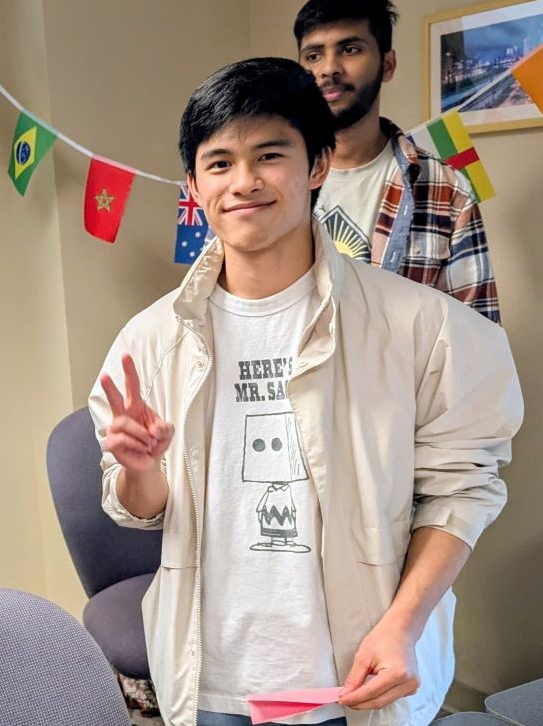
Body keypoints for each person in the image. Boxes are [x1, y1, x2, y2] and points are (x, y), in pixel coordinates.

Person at [90, 58, 521, 726]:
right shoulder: (151, 341)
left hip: (351, 671)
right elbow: (138, 506)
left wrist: (403, 625)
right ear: (192, 184)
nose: (244, 182)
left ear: (317, 164)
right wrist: (142, 471)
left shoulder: (419, 327)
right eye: (219, 163)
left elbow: (461, 491)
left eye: (269, 155)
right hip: (211, 673)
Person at [294, 0, 500, 323]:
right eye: (314, 55)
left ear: (387, 65)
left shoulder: (448, 190)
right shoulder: (273, 180)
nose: (328, 69)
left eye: (349, 49)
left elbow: (477, 335)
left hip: (404, 373)